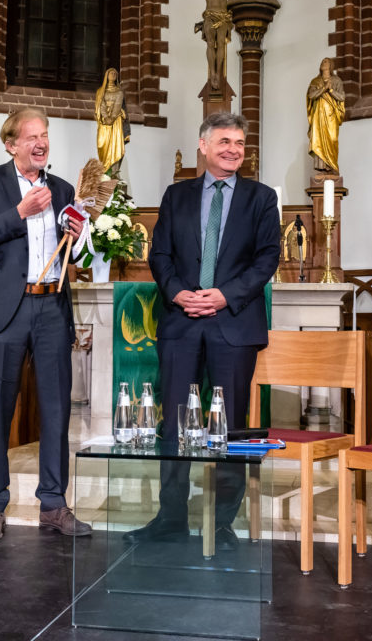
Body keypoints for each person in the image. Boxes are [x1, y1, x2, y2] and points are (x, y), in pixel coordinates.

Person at [125, 112, 281, 549]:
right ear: (204, 145)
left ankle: (222, 522)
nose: (233, 149)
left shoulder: (261, 197)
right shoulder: (177, 195)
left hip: (234, 323)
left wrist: (224, 295)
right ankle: (171, 517)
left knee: (228, 427)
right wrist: (178, 293)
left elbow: (267, 259)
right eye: (224, 141)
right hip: (182, 323)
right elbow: (160, 254)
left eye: (240, 143)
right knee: (175, 424)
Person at [0, 108, 91, 541]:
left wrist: (79, 233)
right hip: (5, 311)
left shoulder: (63, 188)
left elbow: (75, 253)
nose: (41, 143)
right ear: (11, 144)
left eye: (45, 135)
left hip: (52, 306)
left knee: (56, 411)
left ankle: (53, 504)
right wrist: (19, 212)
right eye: (32, 136)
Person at [306, 56, 346, 174]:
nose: (323, 63)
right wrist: (324, 88)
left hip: (331, 116)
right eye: (322, 61)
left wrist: (331, 90)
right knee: (319, 140)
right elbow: (311, 95)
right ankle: (322, 168)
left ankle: (332, 166)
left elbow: (342, 97)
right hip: (318, 116)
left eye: (326, 62)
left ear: (331, 65)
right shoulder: (315, 81)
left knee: (332, 139)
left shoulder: (337, 80)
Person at [94, 68, 129, 173]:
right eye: (111, 73)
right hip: (104, 122)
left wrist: (112, 118)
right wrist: (106, 117)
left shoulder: (119, 92)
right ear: (107, 75)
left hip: (116, 122)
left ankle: (114, 173)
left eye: (115, 73)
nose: (113, 74)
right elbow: (100, 105)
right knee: (102, 145)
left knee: (115, 147)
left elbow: (118, 105)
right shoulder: (100, 91)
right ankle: (104, 172)